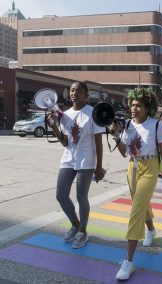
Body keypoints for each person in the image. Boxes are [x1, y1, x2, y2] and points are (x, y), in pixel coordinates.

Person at [112, 88, 162, 281]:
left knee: (136, 210)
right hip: (132, 167)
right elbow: (124, 152)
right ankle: (151, 229)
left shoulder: (156, 125)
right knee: (140, 203)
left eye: (138, 105)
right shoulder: (128, 125)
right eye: (132, 104)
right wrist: (116, 136)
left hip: (150, 168)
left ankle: (129, 261)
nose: (133, 108)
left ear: (147, 108)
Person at [47, 81, 106, 249]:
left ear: (86, 95)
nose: (74, 93)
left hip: (86, 160)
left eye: (78, 91)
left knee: (81, 197)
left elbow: (98, 142)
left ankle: (83, 231)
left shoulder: (93, 113)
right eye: (72, 90)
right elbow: (65, 142)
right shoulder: (64, 115)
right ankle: (75, 224)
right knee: (61, 195)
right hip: (68, 158)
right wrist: (54, 127)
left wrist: (99, 166)